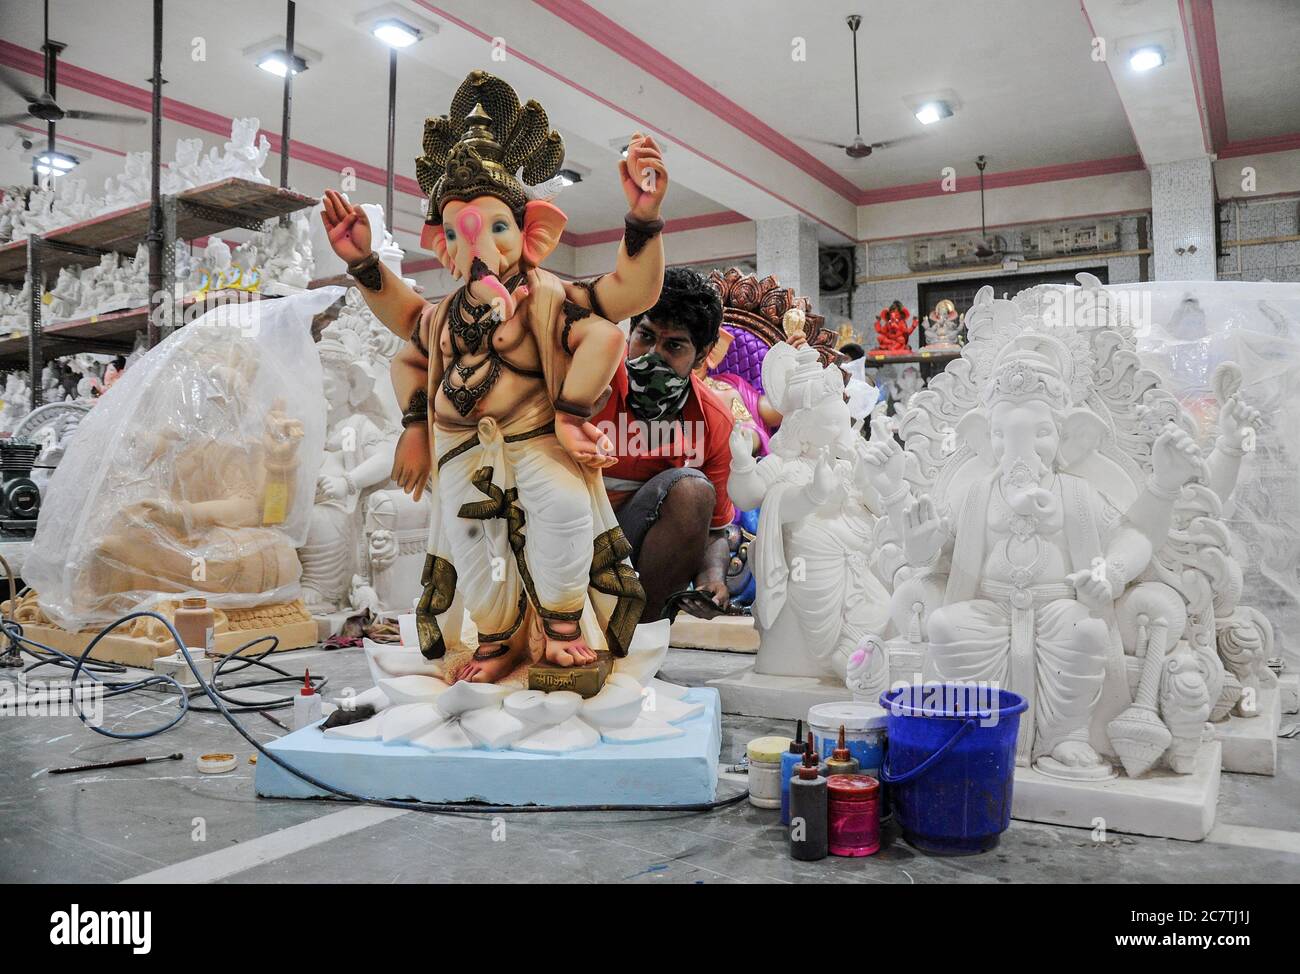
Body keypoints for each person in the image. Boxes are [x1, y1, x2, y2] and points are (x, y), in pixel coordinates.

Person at [592, 268, 735, 622]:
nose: (652, 355)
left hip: (635, 544)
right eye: (645, 336)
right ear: (630, 332)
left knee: (693, 491)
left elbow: (716, 529)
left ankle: (641, 639)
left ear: (701, 357)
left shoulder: (713, 421)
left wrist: (711, 578)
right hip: (567, 533)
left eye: (673, 345)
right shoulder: (589, 386)